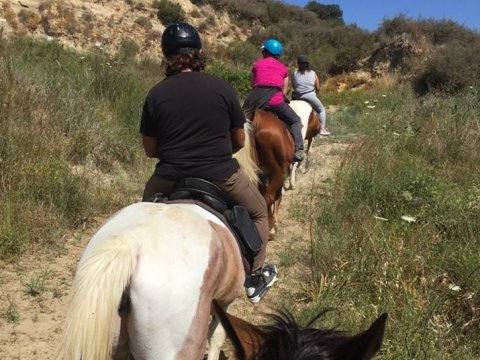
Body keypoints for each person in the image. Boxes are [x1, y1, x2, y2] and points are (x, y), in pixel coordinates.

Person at [139, 22, 277, 303]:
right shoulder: (222, 88)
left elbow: (150, 149)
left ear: (166, 56)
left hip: (169, 176)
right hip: (221, 174)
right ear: (200, 52)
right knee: (260, 211)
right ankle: (255, 277)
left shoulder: (155, 94)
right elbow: (239, 141)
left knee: (141, 215)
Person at [243, 39, 304, 162]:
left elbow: (253, 85)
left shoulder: (257, 65)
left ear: (265, 52)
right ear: (278, 54)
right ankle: (299, 150)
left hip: (255, 101)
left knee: (238, 121)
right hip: (275, 101)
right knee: (296, 121)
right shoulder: (283, 69)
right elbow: (283, 92)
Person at [292, 54, 330, 136]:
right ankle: (322, 128)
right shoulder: (313, 73)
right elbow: (317, 87)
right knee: (321, 110)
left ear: (298, 64)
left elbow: (294, 86)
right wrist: (315, 93)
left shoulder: (295, 73)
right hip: (310, 95)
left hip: (297, 96)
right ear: (308, 64)